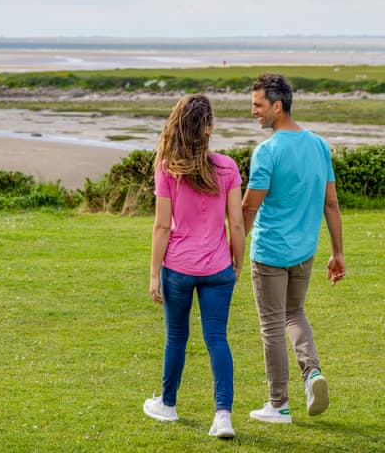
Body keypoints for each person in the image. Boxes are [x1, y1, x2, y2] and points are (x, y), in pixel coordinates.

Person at [242, 73, 346, 424]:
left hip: (270, 253)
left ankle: (278, 404)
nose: (253, 111)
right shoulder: (318, 145)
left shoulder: (267, 151)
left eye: (258, 105)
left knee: (272, 325)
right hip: (305, 252)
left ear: (277, 105)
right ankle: (312, 373)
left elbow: (248, 208)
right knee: (294, 314)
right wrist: (337, 252)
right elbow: (331, 203)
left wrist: (231, 248)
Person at [143, 94, 245, 439]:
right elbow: (237, 223)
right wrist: (238, 260)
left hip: (179, 268)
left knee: (176, 337)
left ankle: (168, 405)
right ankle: (223, 417)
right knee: (217, 338)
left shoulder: (167, 168)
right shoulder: (228, 167)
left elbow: (161, 226)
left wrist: (154, 273)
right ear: (209, 127)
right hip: (218, 268)